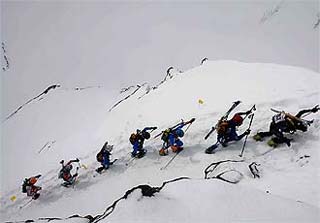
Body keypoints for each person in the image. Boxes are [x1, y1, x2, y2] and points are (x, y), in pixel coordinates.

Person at [253, 106, 319, 147]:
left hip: (275, 123)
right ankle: (272, 141)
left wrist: (311, 110)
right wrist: (285, 140)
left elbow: (301, 112)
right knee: (275, 134)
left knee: (273, 132)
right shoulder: (287, 126)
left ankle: (260, 135)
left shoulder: (294, 119)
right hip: (276, 127)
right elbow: (279, 131)